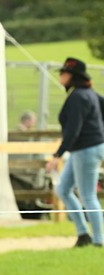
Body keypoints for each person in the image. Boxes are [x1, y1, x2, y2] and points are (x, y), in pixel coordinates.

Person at [44, 58, 104, 247]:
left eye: (64, 73)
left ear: (73, 76)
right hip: (83, 149)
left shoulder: (78, 97)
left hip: (85, 149)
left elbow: (73, 130)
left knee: (88, 196)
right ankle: (83, 234)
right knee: (63, 189)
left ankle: (98, 240)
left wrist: (57, 155)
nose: (61, 76)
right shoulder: (88, 94)